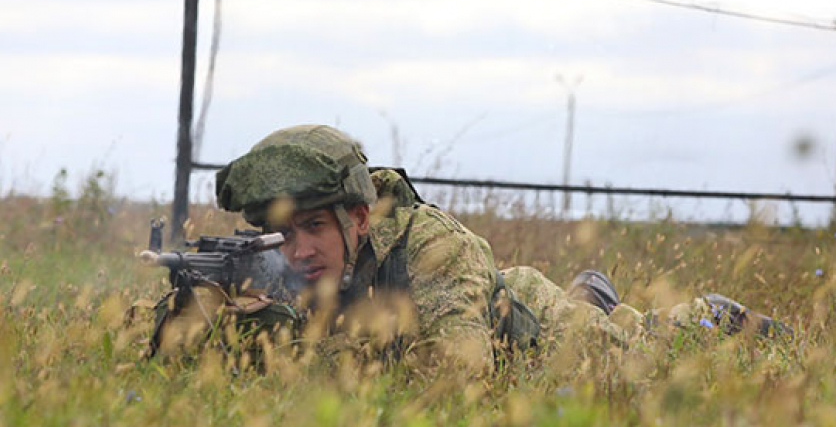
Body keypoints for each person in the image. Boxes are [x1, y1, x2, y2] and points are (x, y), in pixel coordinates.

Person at [213, 125, 785, 374]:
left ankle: (711, 311)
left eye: (313, 227)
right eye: (285, 234)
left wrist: (315, 357)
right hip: (501, 303)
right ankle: (590, 291)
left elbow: (457, 376)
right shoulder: (292, 265)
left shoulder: (432, 247)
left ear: (358, 217)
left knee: (648, 345)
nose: (298, 250)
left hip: (558, 344)